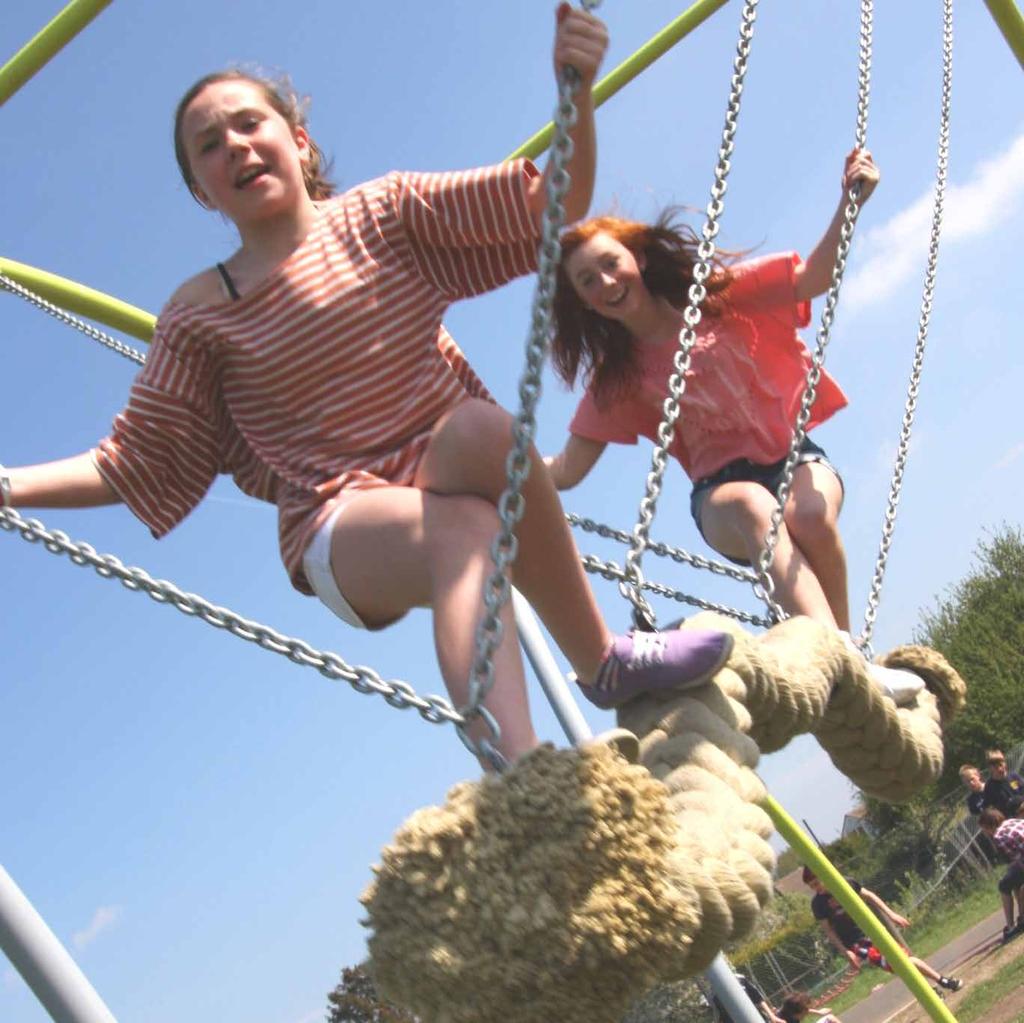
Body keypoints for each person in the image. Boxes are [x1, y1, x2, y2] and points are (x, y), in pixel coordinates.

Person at [0, 7, 734, 770]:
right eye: (208, 147)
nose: (235, 147)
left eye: (250, 124)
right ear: (202, 194)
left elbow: (553, 205)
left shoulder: (384, 214)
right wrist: (9, 485)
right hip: (340, 520)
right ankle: (526, 776)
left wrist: (574, 90)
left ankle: (603, 659)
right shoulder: (202, 313)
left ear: (299, 139)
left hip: (445, 462)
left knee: (487, 429)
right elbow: (129, 462)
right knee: (465, 534)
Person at [543, 151, 924, 706]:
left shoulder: (715, 296)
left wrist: (850, 202)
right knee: (754, 506)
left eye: (609, 264)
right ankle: (847, 663)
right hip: (720, 493)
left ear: (638, 259)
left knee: (810, 516)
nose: (604, 282)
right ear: (584, 305)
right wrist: (501, 459)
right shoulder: (615, 380)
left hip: (793, 457)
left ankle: (849, 656)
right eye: (586, 282)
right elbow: (567, 470)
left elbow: (811, 277)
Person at [802, 868, 963, 992]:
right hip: (857, 943)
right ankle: (939, 983)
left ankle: (938, 984)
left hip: (873, 931)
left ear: (823, 875)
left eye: (816, 883)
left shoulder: (845, 883)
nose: (816, 888)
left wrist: (892, 915)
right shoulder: (818, 904)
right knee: (900, 965)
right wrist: (846, 952)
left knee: (903, 961)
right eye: (811, 887)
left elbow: (870, 896)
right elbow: (829, 931)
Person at [977, 807, 1024, 942]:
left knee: (1004, 885)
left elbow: (1016, 860)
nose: (985, 833)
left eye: (984, 829)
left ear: (988, 825)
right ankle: (1021, 918)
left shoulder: (999, 836)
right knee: (1013, 880)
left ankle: (1011, 925)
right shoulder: (1013, 821)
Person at [712, 972, 782, 1023]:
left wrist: (771, 1016)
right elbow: (721, 1016)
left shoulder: (740, 979)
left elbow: (758, 998)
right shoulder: (714, 994)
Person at [982, 750, 1024, 817]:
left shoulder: (1014, 776)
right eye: (996, 767)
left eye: (1001, 765)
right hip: (1008, 819)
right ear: (990, 768)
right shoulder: (989, 786)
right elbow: (988, 807)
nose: (1000, 769)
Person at [777, 991, 841, 1023]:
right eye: (804, 1013)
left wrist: (819, 1012)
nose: (806, 1013)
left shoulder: (791, 1012)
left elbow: (806, 1010)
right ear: (795, 1013)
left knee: (830, 1018)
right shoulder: (780, 1020)